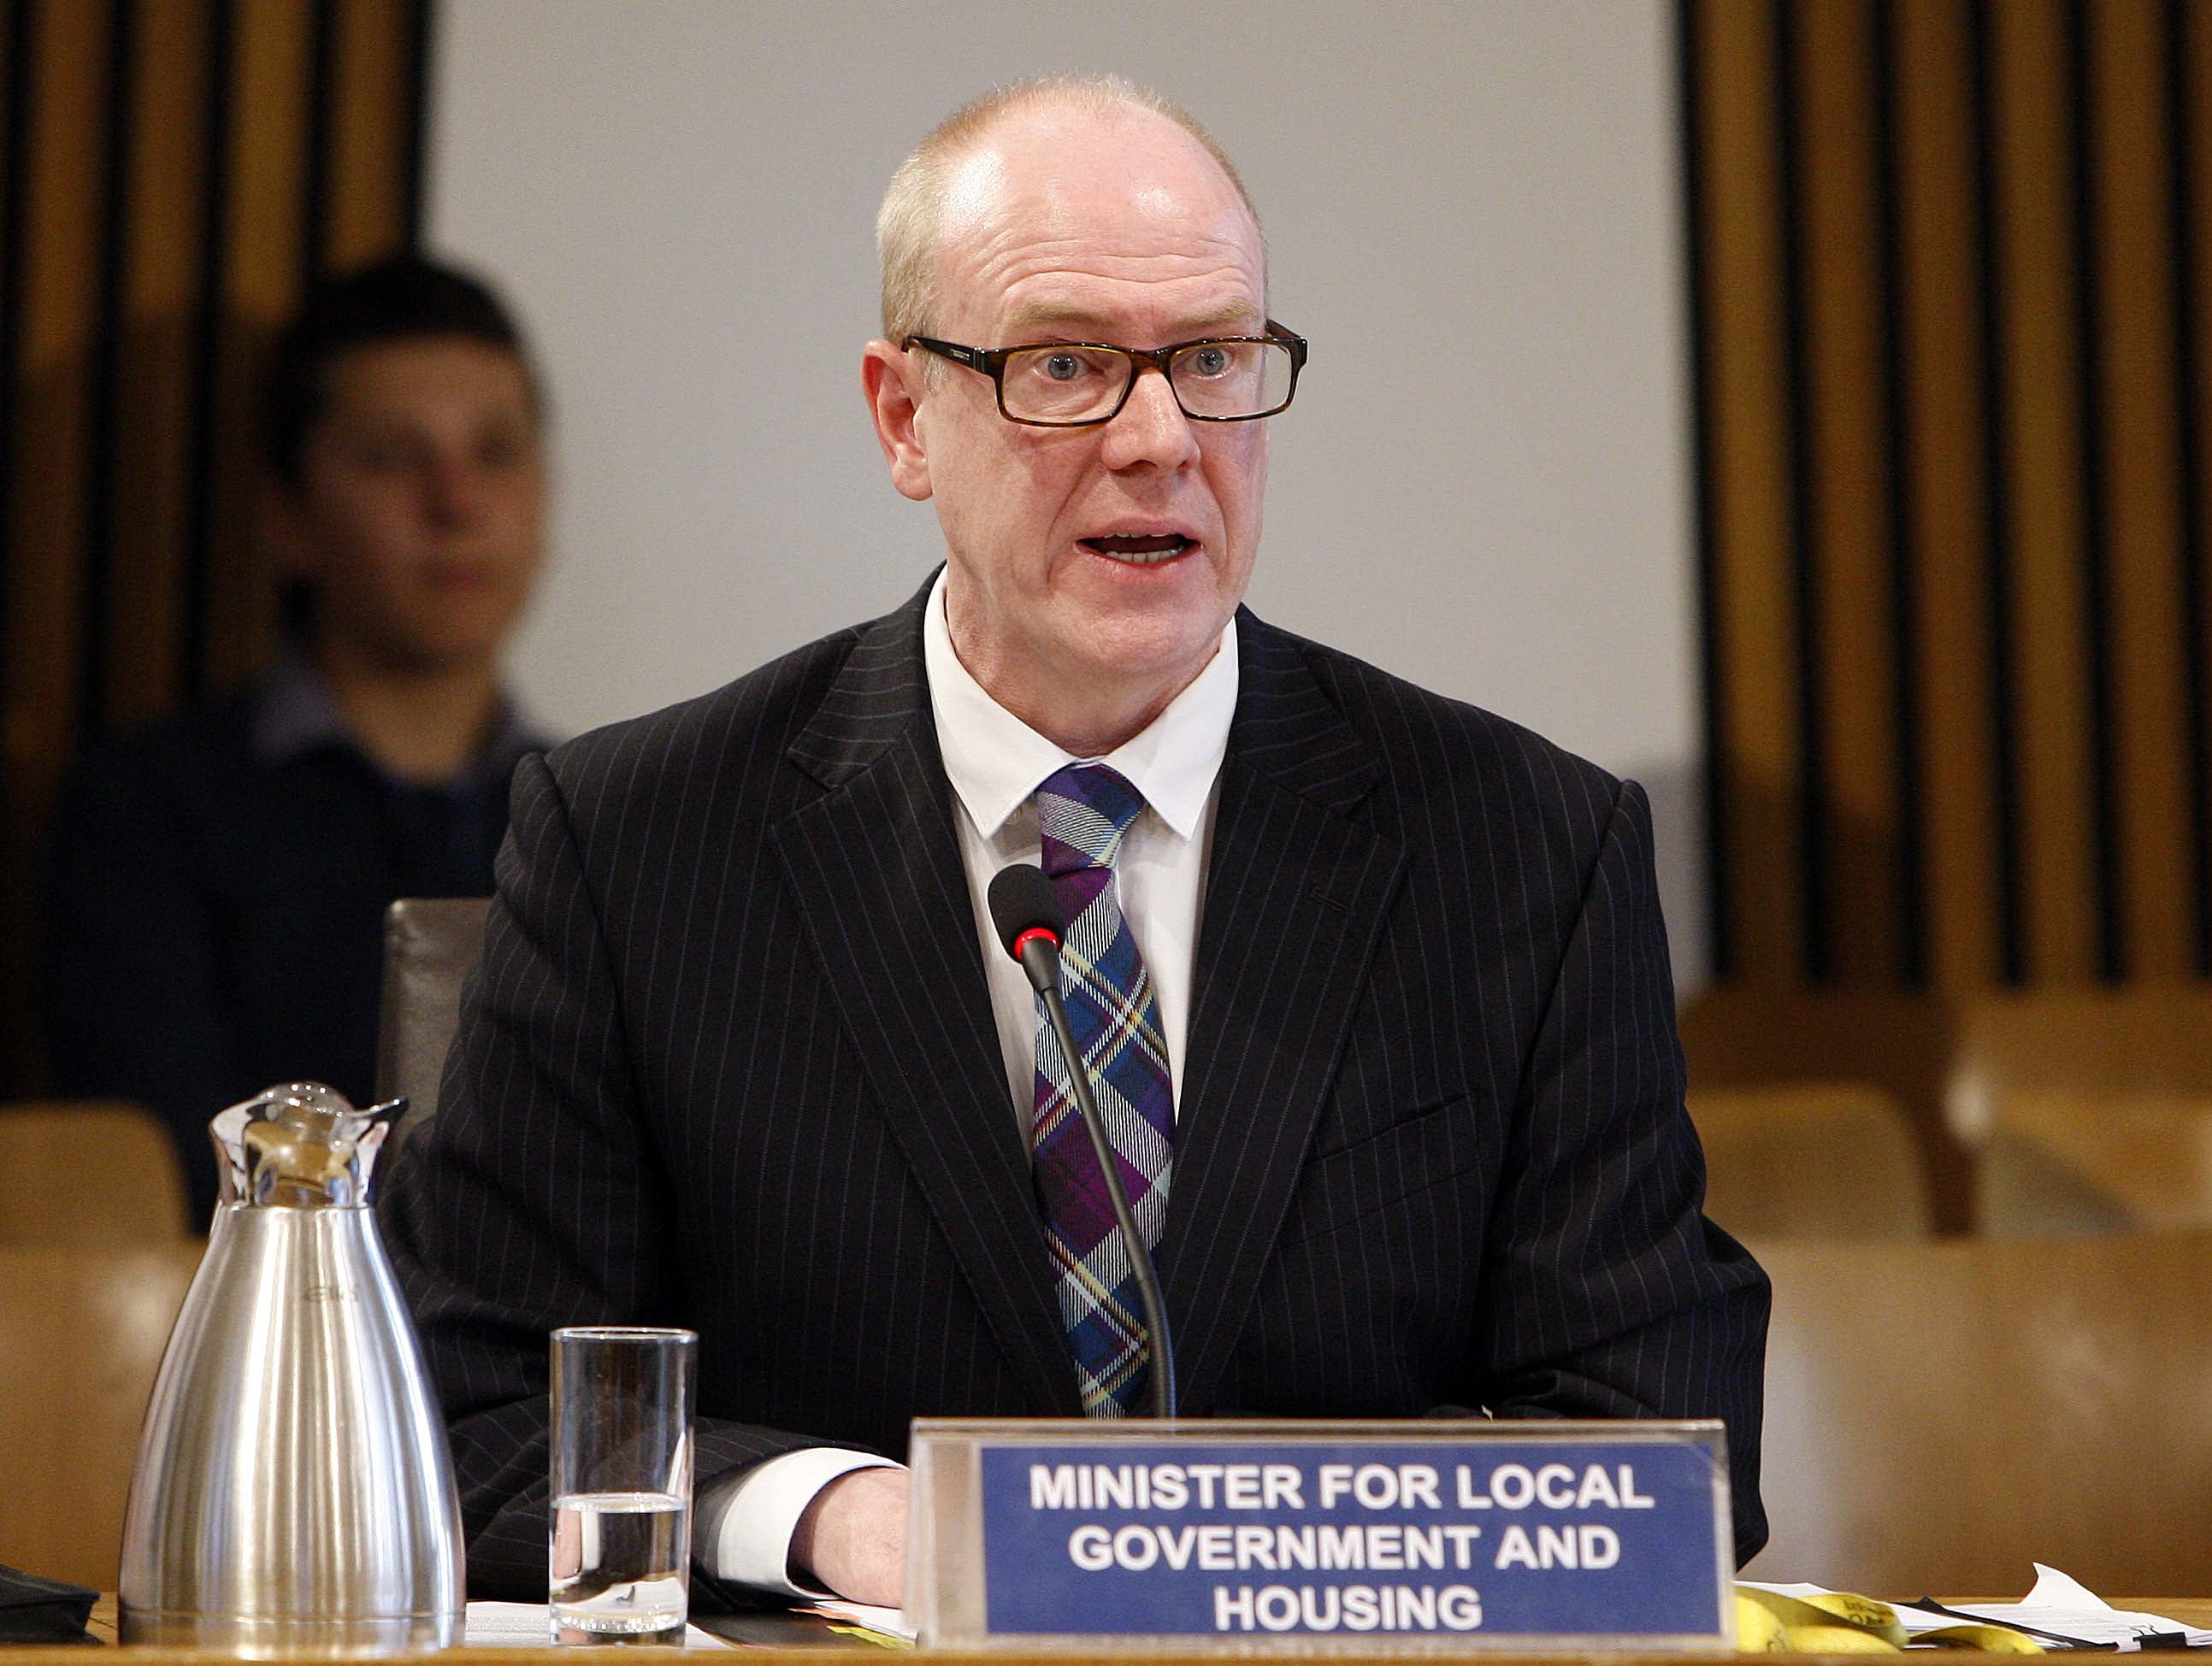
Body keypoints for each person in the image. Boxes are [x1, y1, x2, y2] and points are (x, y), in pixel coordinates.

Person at [382, 76, 1769, 1614]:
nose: (1162, 438)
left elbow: (1665, 1442)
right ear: (905, 414)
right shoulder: (640, 842)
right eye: (1066, 365)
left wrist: (1225, 1551)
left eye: (1213, 359)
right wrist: (834, 1510)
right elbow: (461, 1415)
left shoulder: (1524, 849)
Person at [45, 256, 552, 1226]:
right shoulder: (149, 807)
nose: (456, 502)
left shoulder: (601, 813)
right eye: (391, 458)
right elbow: (166, 1167)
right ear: (287, 515)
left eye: (495, 450)